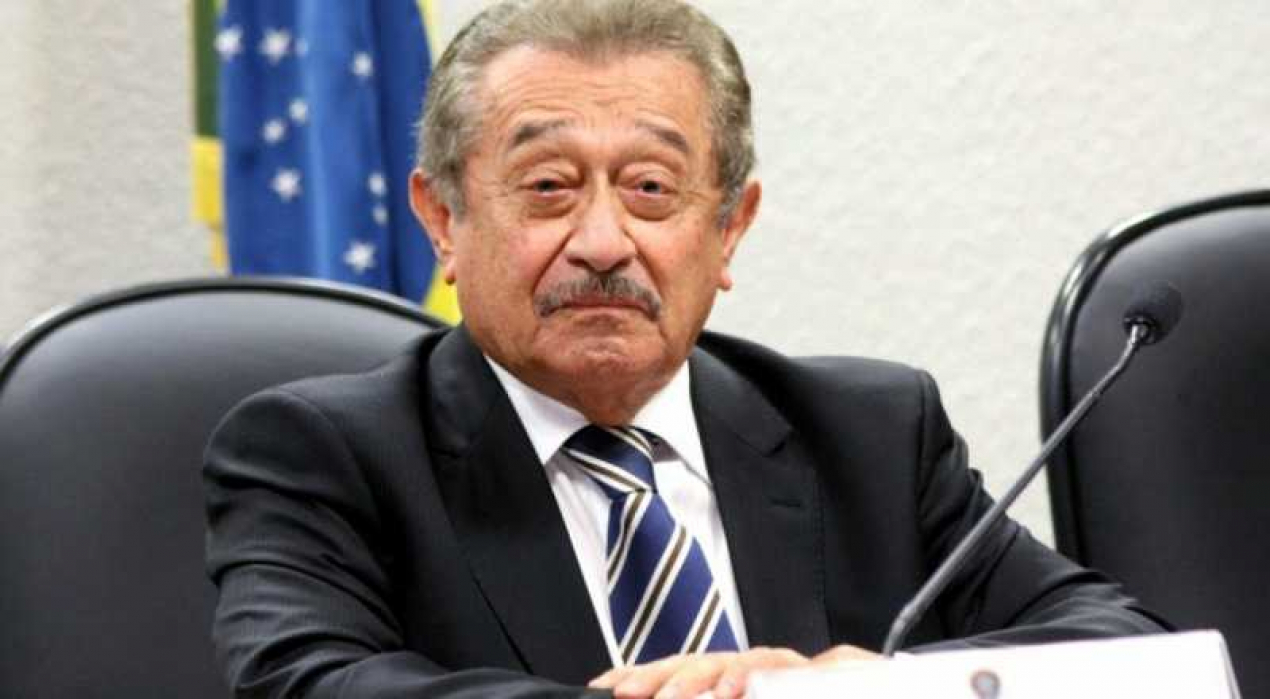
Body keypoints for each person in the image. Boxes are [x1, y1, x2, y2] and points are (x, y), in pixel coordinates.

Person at [203, 1, 1168, 697]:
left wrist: (870, 688)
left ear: (730, 228)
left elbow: (1127, 651)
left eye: (652, 189)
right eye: (547, 186)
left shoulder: (872, 434)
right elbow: (311, 684)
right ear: (443, 219)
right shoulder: (321, 454)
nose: (602, 241)